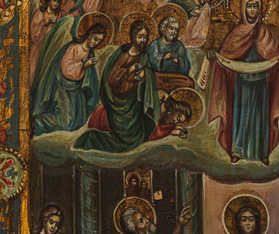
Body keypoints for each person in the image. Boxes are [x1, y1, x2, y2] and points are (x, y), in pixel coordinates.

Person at [208, 0, 279, 165]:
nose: (252, 10)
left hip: (261, 83)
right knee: (239, 116)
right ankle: (237, 150)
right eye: (249, 6)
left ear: (260, 9)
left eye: (255, 6)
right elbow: (225, 55)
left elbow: (277, 57)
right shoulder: (236, 33)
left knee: (260, 117)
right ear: (243, 9)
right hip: (241, 83)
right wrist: (215, 57)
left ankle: (262, 152)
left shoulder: (266, 33)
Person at [74, 20, 161, 153]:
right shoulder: (121, 52)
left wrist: (145, 74)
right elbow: (111, 77)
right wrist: (128, 71)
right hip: (117, 104)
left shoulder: (145, 55)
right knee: (126, 141)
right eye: (140, 37)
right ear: (133, 36)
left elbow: (150, 75)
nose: (143, 40)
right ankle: (91, 139)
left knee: (137, 136)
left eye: (145, 37)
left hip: (134, 104)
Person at [31, 23, 106, 136]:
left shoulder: (90, 53)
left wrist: (88, 65)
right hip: (62, 88)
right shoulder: (74, 47)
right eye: (95, 39)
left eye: (99, 41)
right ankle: (35, 124)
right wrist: (84, 65)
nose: (96, 43)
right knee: (65, 122)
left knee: (79, 121)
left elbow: (90, 77)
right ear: (89, 35)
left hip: (76, 90)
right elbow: (67, 69)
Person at [147, 16, 194, 92]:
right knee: (150, 81)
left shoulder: (179, 45)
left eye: (176, 30)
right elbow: (152, 62)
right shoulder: (155, 44)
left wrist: (177, 60)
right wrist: (165, 57)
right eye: (171, 28)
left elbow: (186, 67)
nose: (174, 32)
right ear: (164, 29)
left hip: (175, 77)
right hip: (158, 76)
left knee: (189, 83)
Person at [30, 0, 65, 81]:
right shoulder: (40, 13)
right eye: (54, 0)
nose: (56, 3)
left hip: (50, 49)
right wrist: (45, 23)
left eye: (58, 1)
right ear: (49, 0)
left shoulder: (59, 15)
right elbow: (34, 34)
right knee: (34, 73)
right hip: (38, 49)